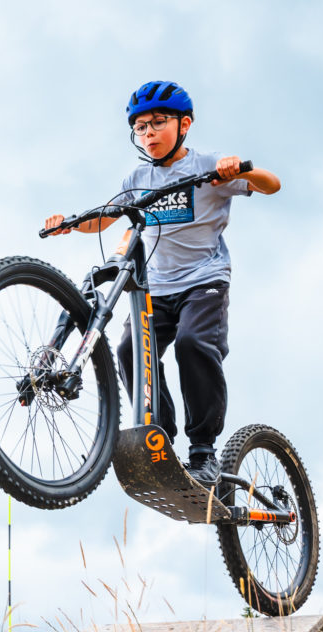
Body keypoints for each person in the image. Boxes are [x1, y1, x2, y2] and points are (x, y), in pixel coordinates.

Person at [43, 80, 280, 487]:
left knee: (192, 344)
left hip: (204, 281)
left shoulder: (209, 165)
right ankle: (161, 441)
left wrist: (242, 168)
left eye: (157, 123)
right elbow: (107, 217)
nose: (148, 133)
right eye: (140, 127)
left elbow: (271, 184)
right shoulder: (138, 176)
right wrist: (69, 224)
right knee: (129, 348)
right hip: (157, 288)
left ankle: (203, 450)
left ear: (184, 124)